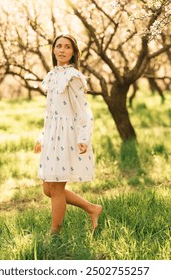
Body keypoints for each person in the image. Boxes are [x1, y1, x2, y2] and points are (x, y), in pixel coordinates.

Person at [34, 34, 102, 235]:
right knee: (48, 189)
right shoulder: (53, 75)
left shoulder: (73, 77)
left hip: (67, 135)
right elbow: (50, 112)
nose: (62, 50)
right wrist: (42, 136)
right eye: (58, 46)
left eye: (67, 47)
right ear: (53, 50)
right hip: (52, 134)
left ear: (74, 53)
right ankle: (92, 208)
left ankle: (54, 233)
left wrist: (83, 138)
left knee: (56, 187)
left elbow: (83, 111)